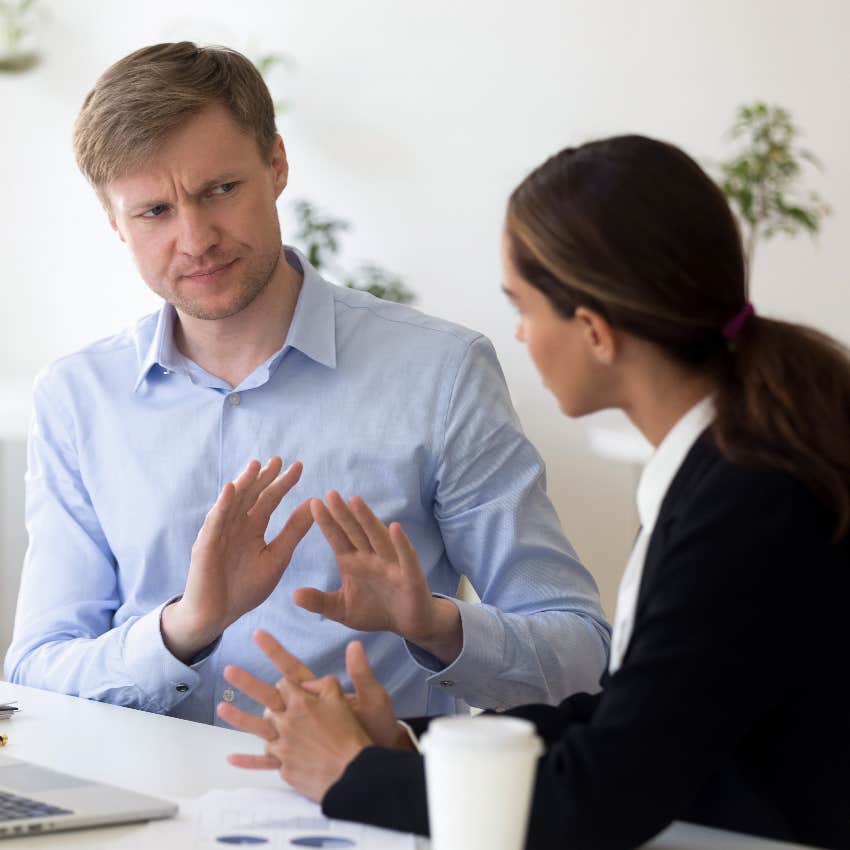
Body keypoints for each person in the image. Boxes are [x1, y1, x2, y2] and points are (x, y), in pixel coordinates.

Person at [221, 135, 850, 850]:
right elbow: (629, 714)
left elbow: (596, 799)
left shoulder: (747, 505)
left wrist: (352, 773)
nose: (518, 335)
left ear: (593, 331)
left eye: (523, 307)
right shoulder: (729, 471)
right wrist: (409, 741)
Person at [4, 42, 610, 725]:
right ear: (115, 222)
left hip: (363, 811)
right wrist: (186, 625)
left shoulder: (439, 372)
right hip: (135, 814)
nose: (196, 239)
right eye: (154, 212)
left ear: (277, 165)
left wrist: (437, 625)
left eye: (220, 190)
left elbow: (582, 655)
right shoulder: (78, 399)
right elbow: (36, 670)